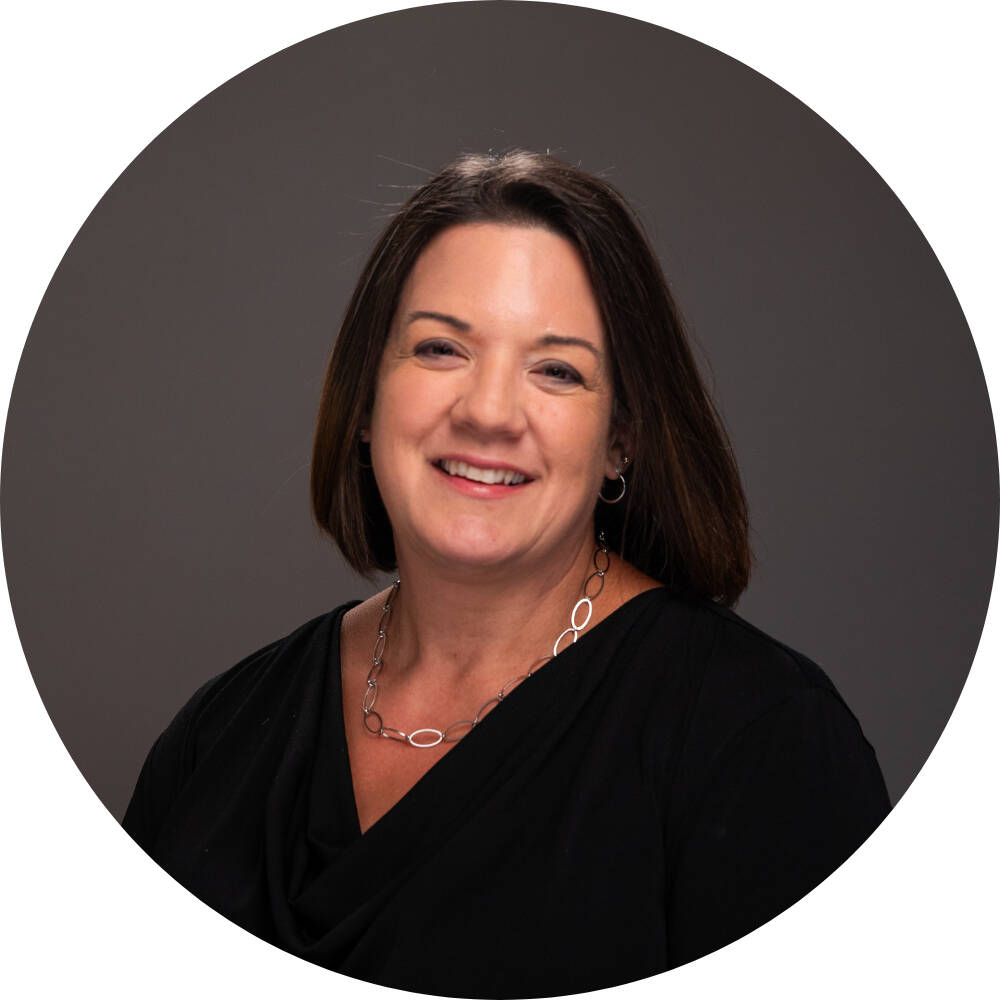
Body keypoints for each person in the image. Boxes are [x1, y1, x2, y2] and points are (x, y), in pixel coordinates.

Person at [123, 150, 890, 997]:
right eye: (441, 348)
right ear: (367, 400)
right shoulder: (219, 736)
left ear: (621, 438)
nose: (488, 412)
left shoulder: (763, 741)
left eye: (557, 370)